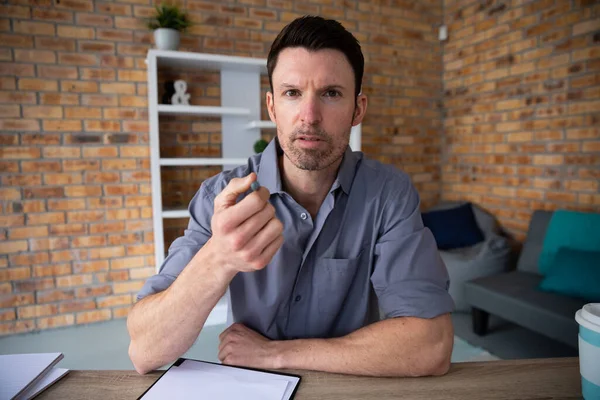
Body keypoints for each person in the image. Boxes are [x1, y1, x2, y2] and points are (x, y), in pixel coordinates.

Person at [128, 15, 454, 377]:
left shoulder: (388, 194)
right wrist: (218, 259)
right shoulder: (222, 197)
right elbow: (145, 350)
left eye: (331, 93)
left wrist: (274, 355)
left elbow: (431, 345)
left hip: (349, 384)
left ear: (357, 109)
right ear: (271, 107)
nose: (309, 116)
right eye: (292, 93)